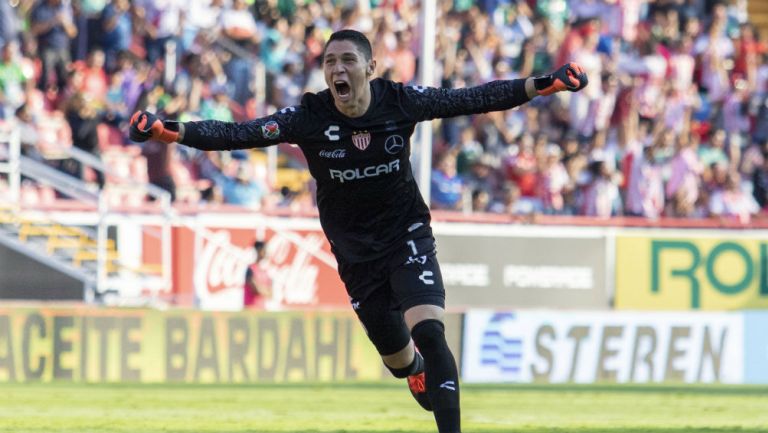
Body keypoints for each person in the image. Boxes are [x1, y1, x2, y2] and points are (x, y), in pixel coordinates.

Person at [129, 29, 587, 433]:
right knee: (400, 359)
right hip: (355, 254)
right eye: (330, 62)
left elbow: (471, 98)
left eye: (347, 60)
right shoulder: (309, 116)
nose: (337, 69)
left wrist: (541, 84)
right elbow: (238, 134)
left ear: (369, 67)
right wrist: (169, 131)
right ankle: (415, 371)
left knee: (430, 331)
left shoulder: (400, 101)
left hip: (405, 233)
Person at [244, 240, 271, 309]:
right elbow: (255, 289)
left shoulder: (265, 271)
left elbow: (270, 293)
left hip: (262, 310)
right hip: (251, 309)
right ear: (258, 251)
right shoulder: (250, 269)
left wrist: (261, 288)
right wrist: (264, 290)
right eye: (264, 250)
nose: (266, 253)